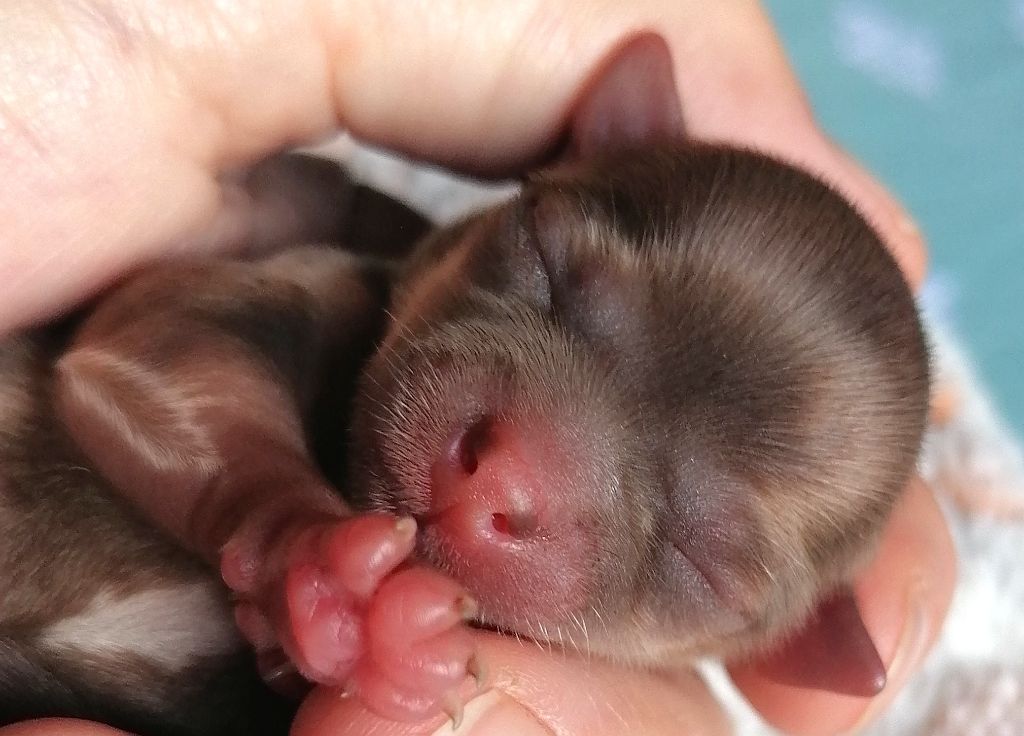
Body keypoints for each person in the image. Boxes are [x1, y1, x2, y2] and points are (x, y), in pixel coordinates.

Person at [0, 1, 954, 734]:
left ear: (792, 641)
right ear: (596, 144)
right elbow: (130, 361)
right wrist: (277, 520)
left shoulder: (451, 672)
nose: (508, 475)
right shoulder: (346, 292)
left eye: (691, 559)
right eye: (545, 270)